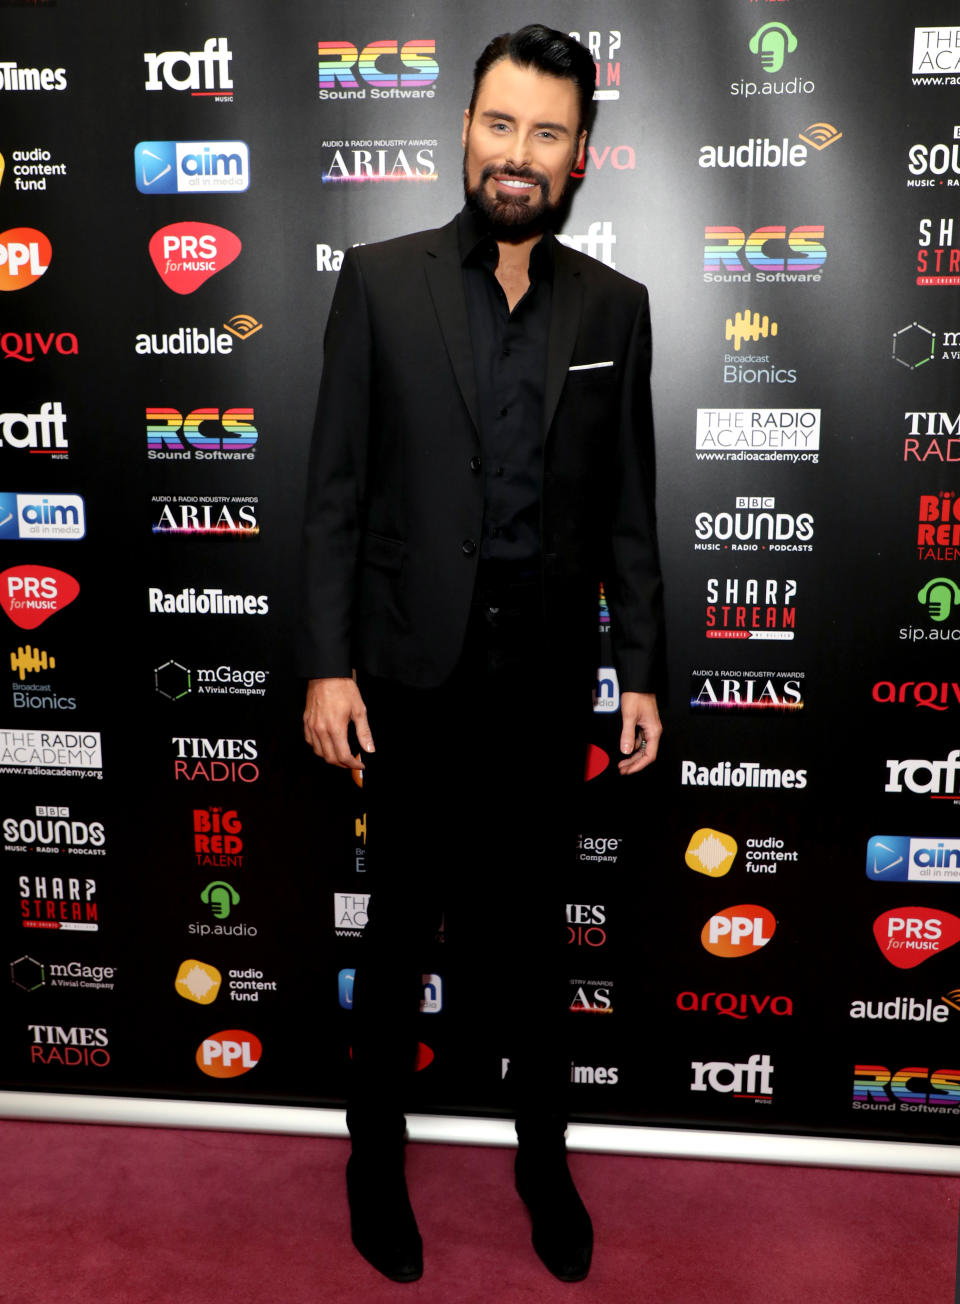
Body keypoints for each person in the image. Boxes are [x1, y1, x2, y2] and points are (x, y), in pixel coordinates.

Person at [299, 23, 665, 1284]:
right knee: (399, 932)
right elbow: (335, 491)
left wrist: (648, 670)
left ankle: (543, 1158)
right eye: (500, 123)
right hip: (405, 676)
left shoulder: (618, 308)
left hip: (544, 681)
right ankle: (370, 1157)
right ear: (464, 128)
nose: (518, 154)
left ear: (581, 159)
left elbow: (630, 508)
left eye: (548, 133)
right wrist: (327, 664)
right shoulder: (379, 280)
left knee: (532, 940)